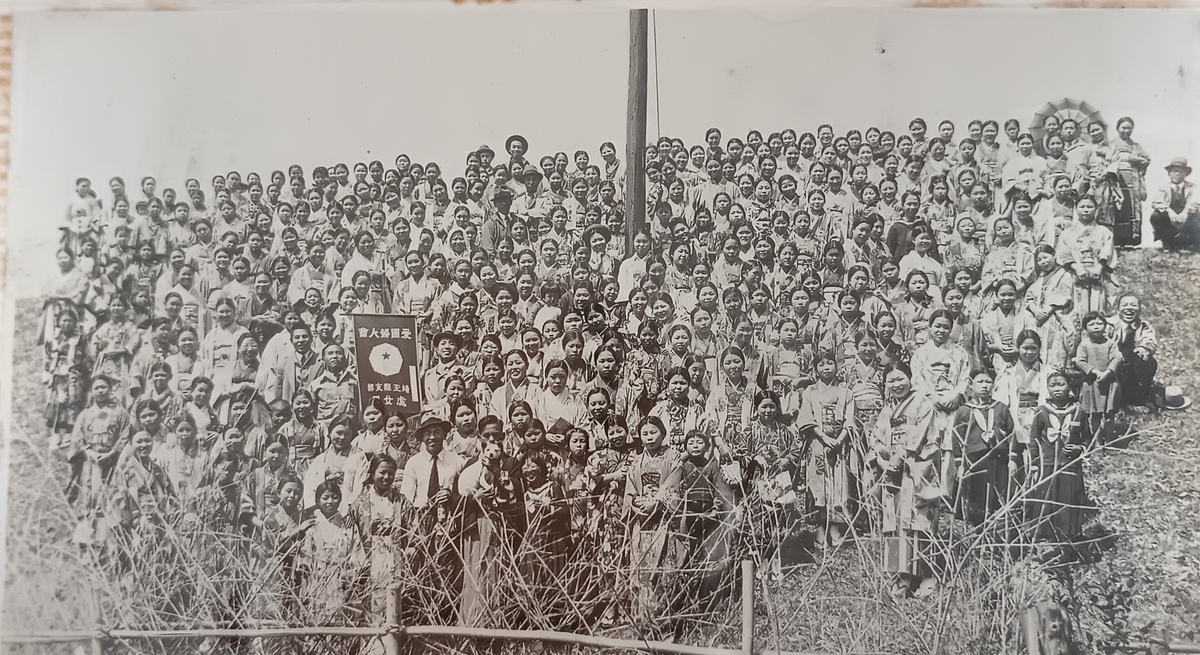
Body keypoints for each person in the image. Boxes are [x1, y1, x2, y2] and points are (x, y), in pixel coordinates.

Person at [1026, 370, 1091, 559]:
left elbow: (1088, 438)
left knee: (1068, 505)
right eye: (1052, 385)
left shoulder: (1078, 411)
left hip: (1070, 467)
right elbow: (1033, 441)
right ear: (1047, 388)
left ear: (1069, 386)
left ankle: (1068, 548)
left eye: (1061, 384)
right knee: (1045, 505)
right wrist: (1035, 465)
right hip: (1047, 467)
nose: (1057, 389)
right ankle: (1043, 549)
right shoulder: (1041, 412)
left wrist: (1079, 448)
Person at [1149, 157, 1200, 252]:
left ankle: (1191, 244)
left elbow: (1195, 203)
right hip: (1170, 223)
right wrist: (1169, 212)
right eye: (1174, 171)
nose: (1177, 174)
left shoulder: (1192, 187)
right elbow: (1156, 202)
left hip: (1187, 221)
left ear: (1185, 174)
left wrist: (1185, 212)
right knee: (1156, 216)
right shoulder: (1163, 188)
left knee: (1196, 216)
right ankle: (1168, 243)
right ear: (1169, 174)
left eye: (1180, 171)